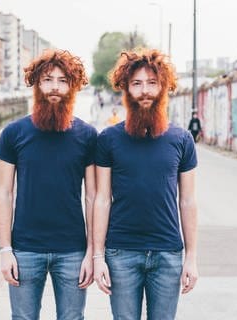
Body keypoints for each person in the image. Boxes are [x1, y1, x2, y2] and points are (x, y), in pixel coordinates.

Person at [93, 48, 198, 320]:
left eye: (152, 83)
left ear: (163, 87)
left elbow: (187, 200)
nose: (145, 91)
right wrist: (97, 256)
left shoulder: (182, 139)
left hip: (168, 253)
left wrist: (191, 256)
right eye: (136, 84)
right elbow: (101, 199)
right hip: (121, 252)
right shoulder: (108, 139)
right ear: (126, 89)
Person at [0, 49, 97, 320]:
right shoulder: (14, 133)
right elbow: (4, 194)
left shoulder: (87, 136)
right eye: (48, 79)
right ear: (37, 84)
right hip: (25, 249)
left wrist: (92, 253)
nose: (55, 87)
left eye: (63, 80)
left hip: (73, 250)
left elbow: (93, 197)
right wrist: (5, 250)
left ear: (73, 86)